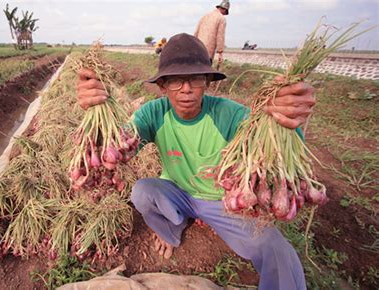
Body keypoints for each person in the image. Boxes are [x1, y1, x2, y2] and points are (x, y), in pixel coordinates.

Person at [77, 33, 314, 290]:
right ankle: (171, 229)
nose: (186, 88)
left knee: (276, 248)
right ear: (163, 86)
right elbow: (119, 144)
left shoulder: (228, 114)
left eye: (195, 79)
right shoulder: (153, 113)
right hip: (178, 194)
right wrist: (97, 112)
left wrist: (284, 121)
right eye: (176, 80)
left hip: (224, 204)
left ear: (208, 82)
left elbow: (268, 143)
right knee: (143, 191)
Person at [194, 0, 230, 65]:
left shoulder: (205, 16)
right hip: (208, 51)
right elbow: (220, 36)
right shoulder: (221, 18)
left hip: (197, 48)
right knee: (206, 72)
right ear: (224, 10)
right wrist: (220, 52)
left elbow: (196, 32)